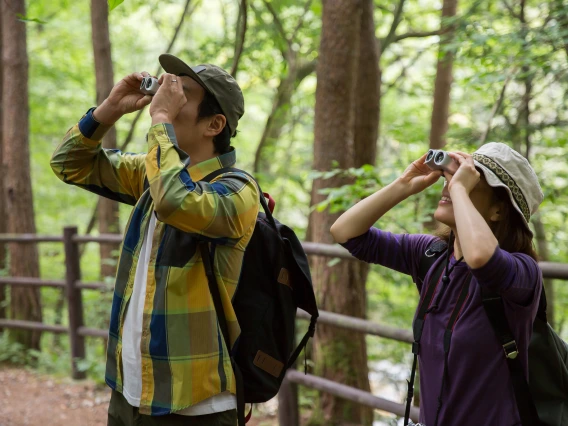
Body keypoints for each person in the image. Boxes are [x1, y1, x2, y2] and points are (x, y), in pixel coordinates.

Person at [51, 54, 260, 426]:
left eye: (184, 92)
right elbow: (69, 164)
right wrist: (109, 109)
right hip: (129, 393)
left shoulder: (238, 190)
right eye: (168, 84)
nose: (169, 93)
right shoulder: (154, 174)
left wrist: (161, 120)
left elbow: (176, 201)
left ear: (214, 124)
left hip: (196, 406)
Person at [330, 144, 544, 426]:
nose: (449, 186)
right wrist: (404, 184)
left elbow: (482, 258)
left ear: (498, 212)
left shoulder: (522, 273)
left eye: (469, 183)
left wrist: (457, 190)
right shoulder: (431, 255)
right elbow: (346, 233)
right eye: (448, 180)